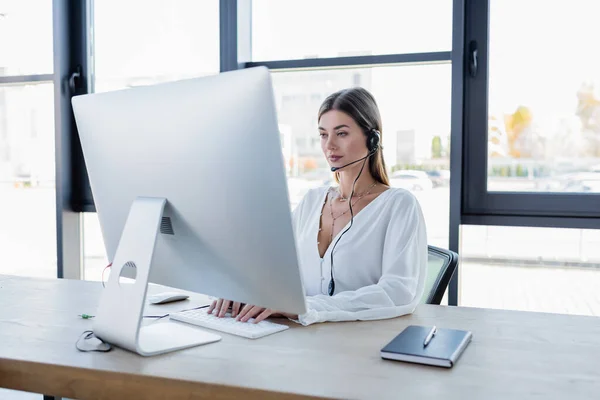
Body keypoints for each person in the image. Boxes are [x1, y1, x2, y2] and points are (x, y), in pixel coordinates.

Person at [208, 87, 428, 326]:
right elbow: (273, 264)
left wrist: (304, 308)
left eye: (341, 133)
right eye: (323, 134)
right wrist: (242, 289)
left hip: (364, 342)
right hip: (306, 338)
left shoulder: (398, 205)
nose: (329, 145)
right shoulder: (312, 201)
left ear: (372, 139)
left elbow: (398, 292)